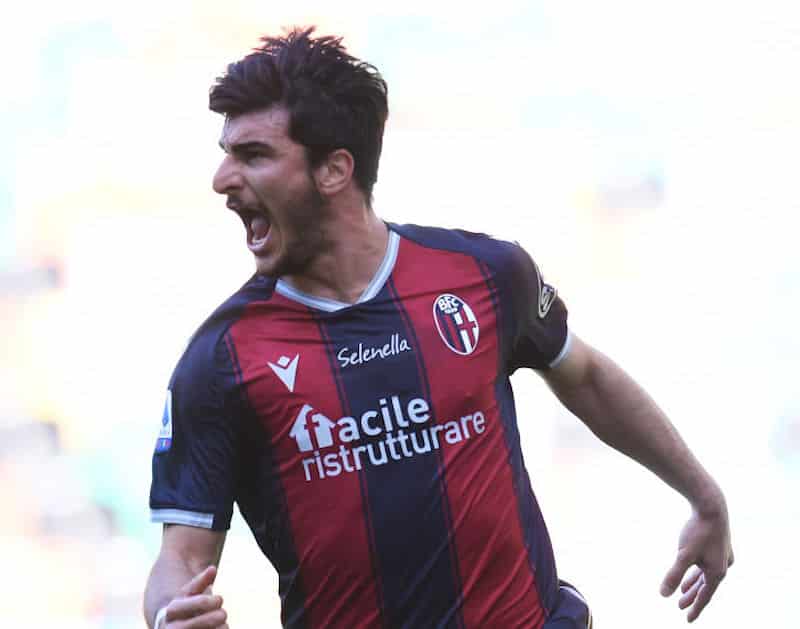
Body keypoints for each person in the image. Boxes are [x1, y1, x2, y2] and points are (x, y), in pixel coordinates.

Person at [144, 27, 733, 629]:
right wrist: (170, 616)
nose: (221, 179)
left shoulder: (485, 275)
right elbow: (180, 558)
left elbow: (585, 377)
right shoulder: (222, 358)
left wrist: (705, 498)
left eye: (253, 155)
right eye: (226, 153)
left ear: (333, 170)